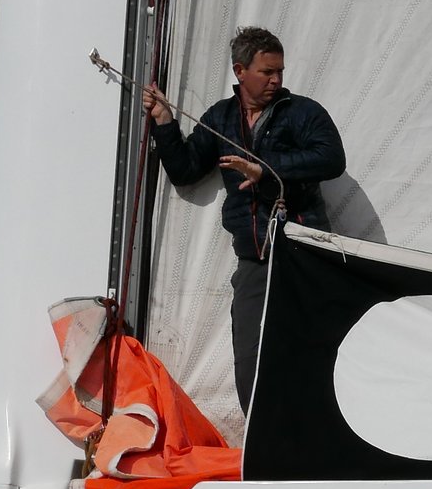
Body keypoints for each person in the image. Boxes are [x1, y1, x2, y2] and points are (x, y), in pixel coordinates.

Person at [144, 25, 346, 409]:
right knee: (250, 356)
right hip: (254, 257)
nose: (276, 80)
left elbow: (332, 159)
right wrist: (165, 123)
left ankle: (316, 439)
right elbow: (185, 171)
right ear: (240, 71)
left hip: (305, 253)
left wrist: (263, 168)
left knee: (313, 346)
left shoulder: (301, 112)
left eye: (280, 71)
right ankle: (263, 440)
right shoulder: (219, 117)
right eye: (267, 72)